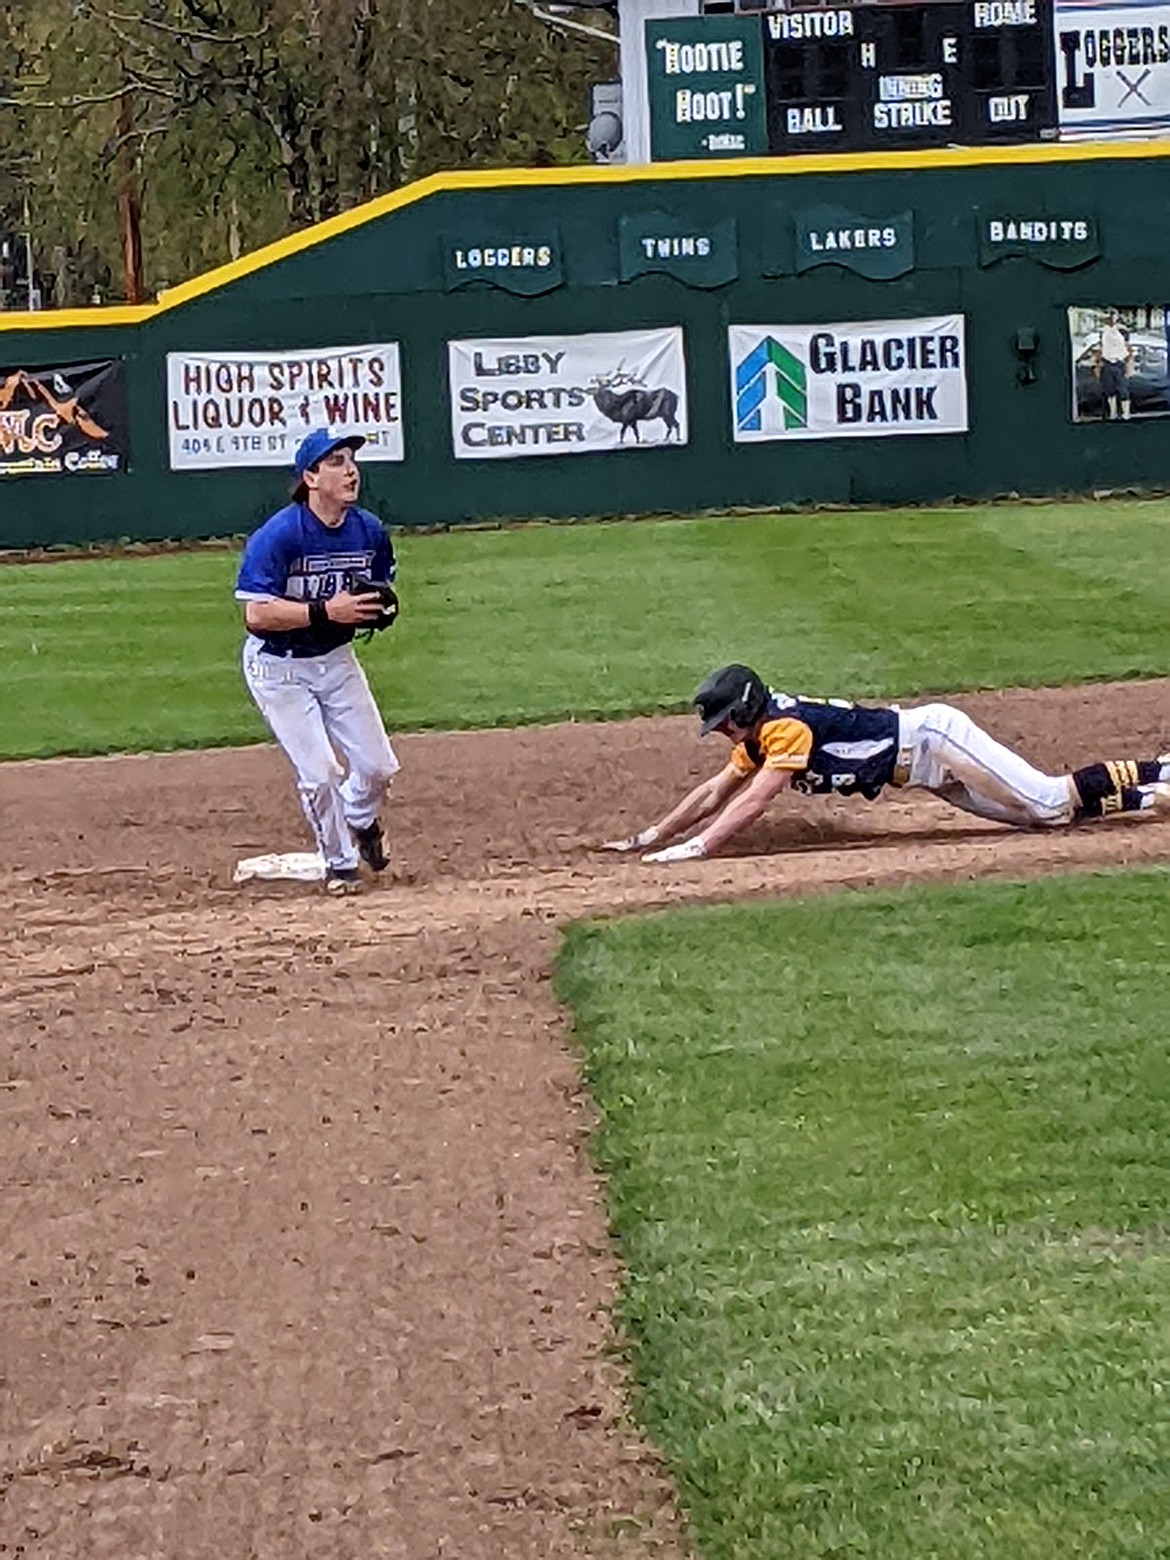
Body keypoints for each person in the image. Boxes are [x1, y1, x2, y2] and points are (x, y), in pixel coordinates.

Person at [601, 664, 1170, 863]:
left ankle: (1159, 770)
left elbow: (752, 801)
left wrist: (700, 849)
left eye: (724, 719)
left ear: (745, 708)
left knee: (1047, 799)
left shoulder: (784, 728)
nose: (721, 731)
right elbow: (713, 793)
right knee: (1045, 817)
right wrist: (649, 836)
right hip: (927, 774)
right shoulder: (758, 739)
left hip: (935, 740)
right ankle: (1150, 792)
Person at [235, 428, 400, 895]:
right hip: (279, 668)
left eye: (351, 460)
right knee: (321, 772)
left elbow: (374, 588)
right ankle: (340, 864)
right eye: (335, 462)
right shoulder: (280, 535)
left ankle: (361, 819)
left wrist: (377, 606)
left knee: (379, 767)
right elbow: (256, 614)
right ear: (310, 477)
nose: (350, 470)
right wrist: (326, 610)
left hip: (336, 659)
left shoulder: (368, 530)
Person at [1099, 310, 1134, 421]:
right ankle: (1112, 414)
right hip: (1107, 363)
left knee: (1123, 390)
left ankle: (1126, 414)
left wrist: (1129, 366)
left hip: (1120, 363)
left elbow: (1129, 348)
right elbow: (1101, 347)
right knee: (1110, 390)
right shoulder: (1103, 332)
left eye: (1112, 317)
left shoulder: (1122, 331)